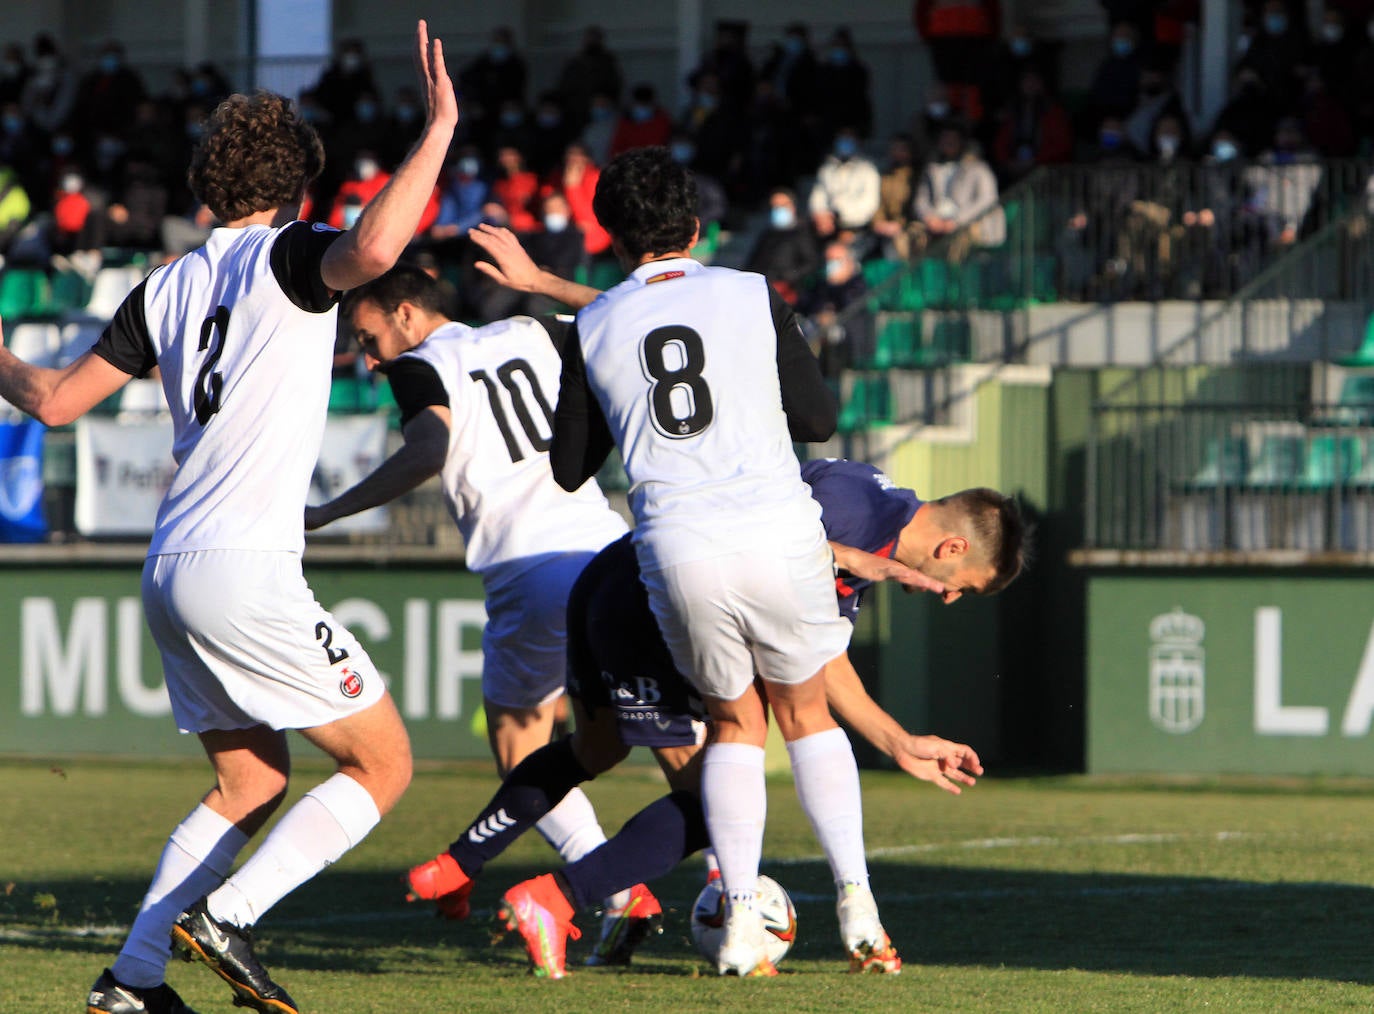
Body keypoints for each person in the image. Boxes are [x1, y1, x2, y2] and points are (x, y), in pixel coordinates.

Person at [0, 21, 456, 1014]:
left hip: (169, 566)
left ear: (208, 188)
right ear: (294, 193)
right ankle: (230, 916)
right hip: (245, 563)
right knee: (384, 762)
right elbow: (378, 244)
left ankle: (132, 980)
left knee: (251, 782)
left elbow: (51, 402)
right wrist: (439, 129)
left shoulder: (165, 285)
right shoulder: (294, 258)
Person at [406, 454, 1026, 978]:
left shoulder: (874, 513)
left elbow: (824, 657)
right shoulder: (854, 514)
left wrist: (898, 741)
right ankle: (558, 898)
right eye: (959, 586)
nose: (947, 597)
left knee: (596, 752)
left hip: (614, 583)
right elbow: (759, 561)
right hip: (650, 610)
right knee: (718, 801)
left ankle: (457, 865)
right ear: (952, 547)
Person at [542, 144, 863, 979]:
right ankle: (857, 901)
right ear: (695, 226)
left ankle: (742, 926)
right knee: (806, 712)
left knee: (731, 725)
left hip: (677, 545)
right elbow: (819, 419)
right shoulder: (753, 293)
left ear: (611, 238)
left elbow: (570, 468)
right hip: (774, 526)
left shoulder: (596, 322)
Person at [304, 236, 655, 944]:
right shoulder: (529, 330)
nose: (371, 358)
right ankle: (733, 887)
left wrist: (329, 510)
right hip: (609, 549)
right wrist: (541, 279)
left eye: (369, 337)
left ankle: (614, 890)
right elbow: (632, 313)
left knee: (519, 739)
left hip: (529, 571)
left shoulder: (421, 365)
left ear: (406, 314)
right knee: (665, 730)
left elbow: (429, 450)